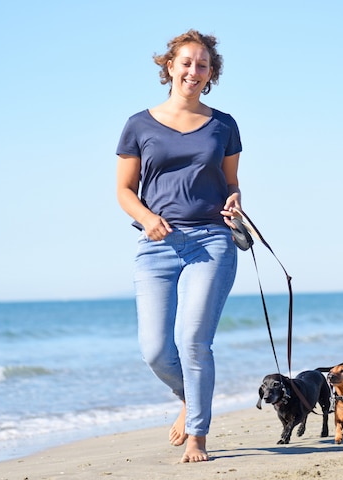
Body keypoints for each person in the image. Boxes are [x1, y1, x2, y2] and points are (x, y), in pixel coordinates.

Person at [115, 29, 242, 463]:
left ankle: (197, 437)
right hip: (156, 246)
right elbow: (124, 190)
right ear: (169, 66)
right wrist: (148, 219)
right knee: (154, 350)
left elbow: (231, 183)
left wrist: (236, 200)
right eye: (186, 62)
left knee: (193, 342)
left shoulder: (224, 125)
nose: (193, 70)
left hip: (211, 242)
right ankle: (189, 396)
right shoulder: (139, 124)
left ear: (211, 74)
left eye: (202, 65)